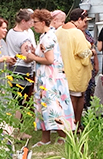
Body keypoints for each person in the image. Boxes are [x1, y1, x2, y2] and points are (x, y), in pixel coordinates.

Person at [26, 9, 75, 145]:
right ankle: (45, 138)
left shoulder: (48, 37)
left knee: (53, 107)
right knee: (43, 106)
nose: (33, 24)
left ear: (43, 22)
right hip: (44, 77)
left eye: (35, 22)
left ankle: (64, 136)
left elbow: (50, 59)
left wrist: (32, 57)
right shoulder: (44, 36)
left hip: (50, 79)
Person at [58, 8, 94, 122]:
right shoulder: (76, 33)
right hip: (75, 72)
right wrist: (91, 51)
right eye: (85, 21)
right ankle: (74, 124)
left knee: (65, 99)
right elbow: (83, 53)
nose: (85, 24)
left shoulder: (58, 31)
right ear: (79, 20)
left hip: (62, 70)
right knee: (76, 98)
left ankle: (65, 124)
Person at [6, 9, 36, 103]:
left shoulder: (10, 32)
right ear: (23, 21)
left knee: (14, 99)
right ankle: (18, 118)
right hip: (23, 72)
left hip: (11, 69)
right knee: (21, 101)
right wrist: (35, 55)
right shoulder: (25, 37)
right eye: (30, 22)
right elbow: (26, 58)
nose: (31, 24)